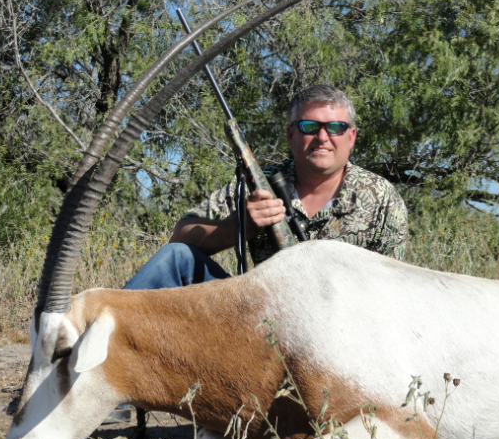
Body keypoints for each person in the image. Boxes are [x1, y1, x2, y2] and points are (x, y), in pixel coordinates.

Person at [123, 84, 408, 291]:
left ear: (351, 136)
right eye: (309, 126)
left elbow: (391, 290)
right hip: (261, 322)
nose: (322, 137)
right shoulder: (258, 183)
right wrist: (242, 226)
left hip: (342, 335)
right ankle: (94, 351)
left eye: (335, 127)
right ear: (290, 133)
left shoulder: (382, 198)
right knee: (176, 258)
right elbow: (181, 237)